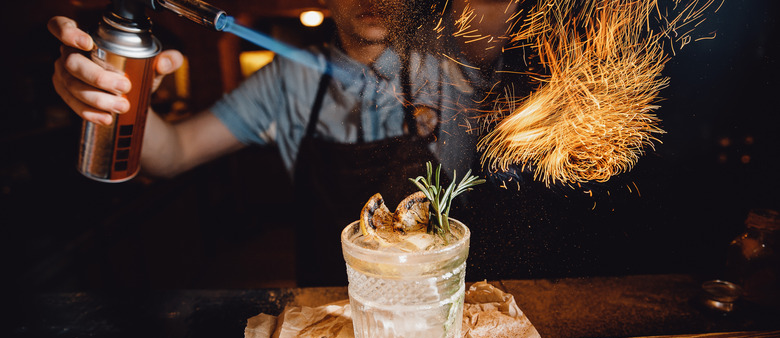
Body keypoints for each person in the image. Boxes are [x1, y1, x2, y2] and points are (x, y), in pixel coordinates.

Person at [49, 0, 519, 286]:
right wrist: (120, 96)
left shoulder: (454, 62)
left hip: (447, 305)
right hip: (326, 311)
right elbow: (170, 156)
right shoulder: (288, 78)